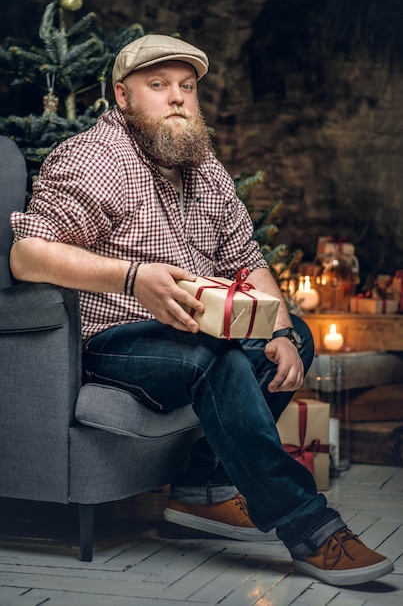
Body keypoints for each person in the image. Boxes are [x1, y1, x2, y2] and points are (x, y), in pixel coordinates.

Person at [9, 34, 393, 586]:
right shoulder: (96, 159)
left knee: (294, 338)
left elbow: (246, 256)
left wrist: (280, 332)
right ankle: (310, 529)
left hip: (193, 330)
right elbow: (27, 254)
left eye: (186, 88)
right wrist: (132, 276)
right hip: (113, 339)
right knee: (213, 357)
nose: (177, 99)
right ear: (122, 95)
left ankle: (202, 492)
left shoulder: (202, 165)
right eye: (158, 85)